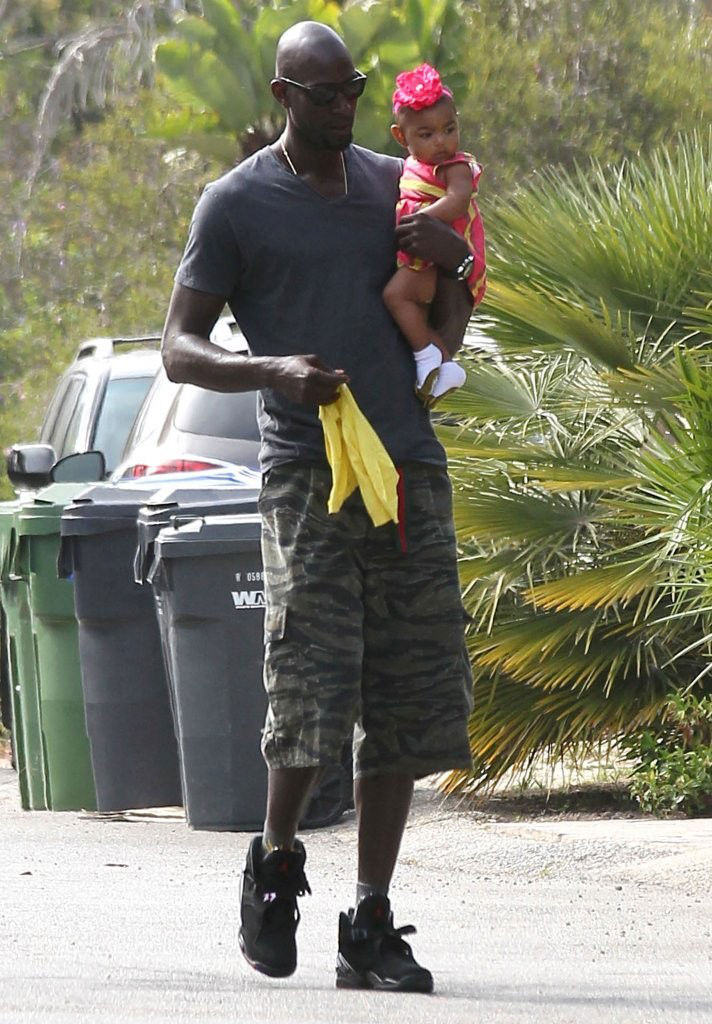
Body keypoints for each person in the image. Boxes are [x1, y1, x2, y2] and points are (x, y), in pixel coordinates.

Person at [161, 21, 474, 994]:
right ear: (285, 96)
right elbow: (178, 344)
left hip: (406, 468)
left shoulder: (396, 184)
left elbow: (451, 307)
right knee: (309, 690)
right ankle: (274, 863)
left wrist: (451, 259)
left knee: (407, 699)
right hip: (307, 471)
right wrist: (269, 370)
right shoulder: (236, 205)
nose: (346, 109)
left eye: (354, 91)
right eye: (327, 94)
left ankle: (370, 921)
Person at [383, 63, 487, 405]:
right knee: (402, 299)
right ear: (401, 137)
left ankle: (428, 354)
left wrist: (419, 222)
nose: (441, 141)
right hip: (419, 254)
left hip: (434, 256)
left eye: (449, 129)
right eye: (426, 135)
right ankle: (438, 361)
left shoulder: (454, 165)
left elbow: (457, 202)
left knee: (396, 296)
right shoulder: (408, 168)